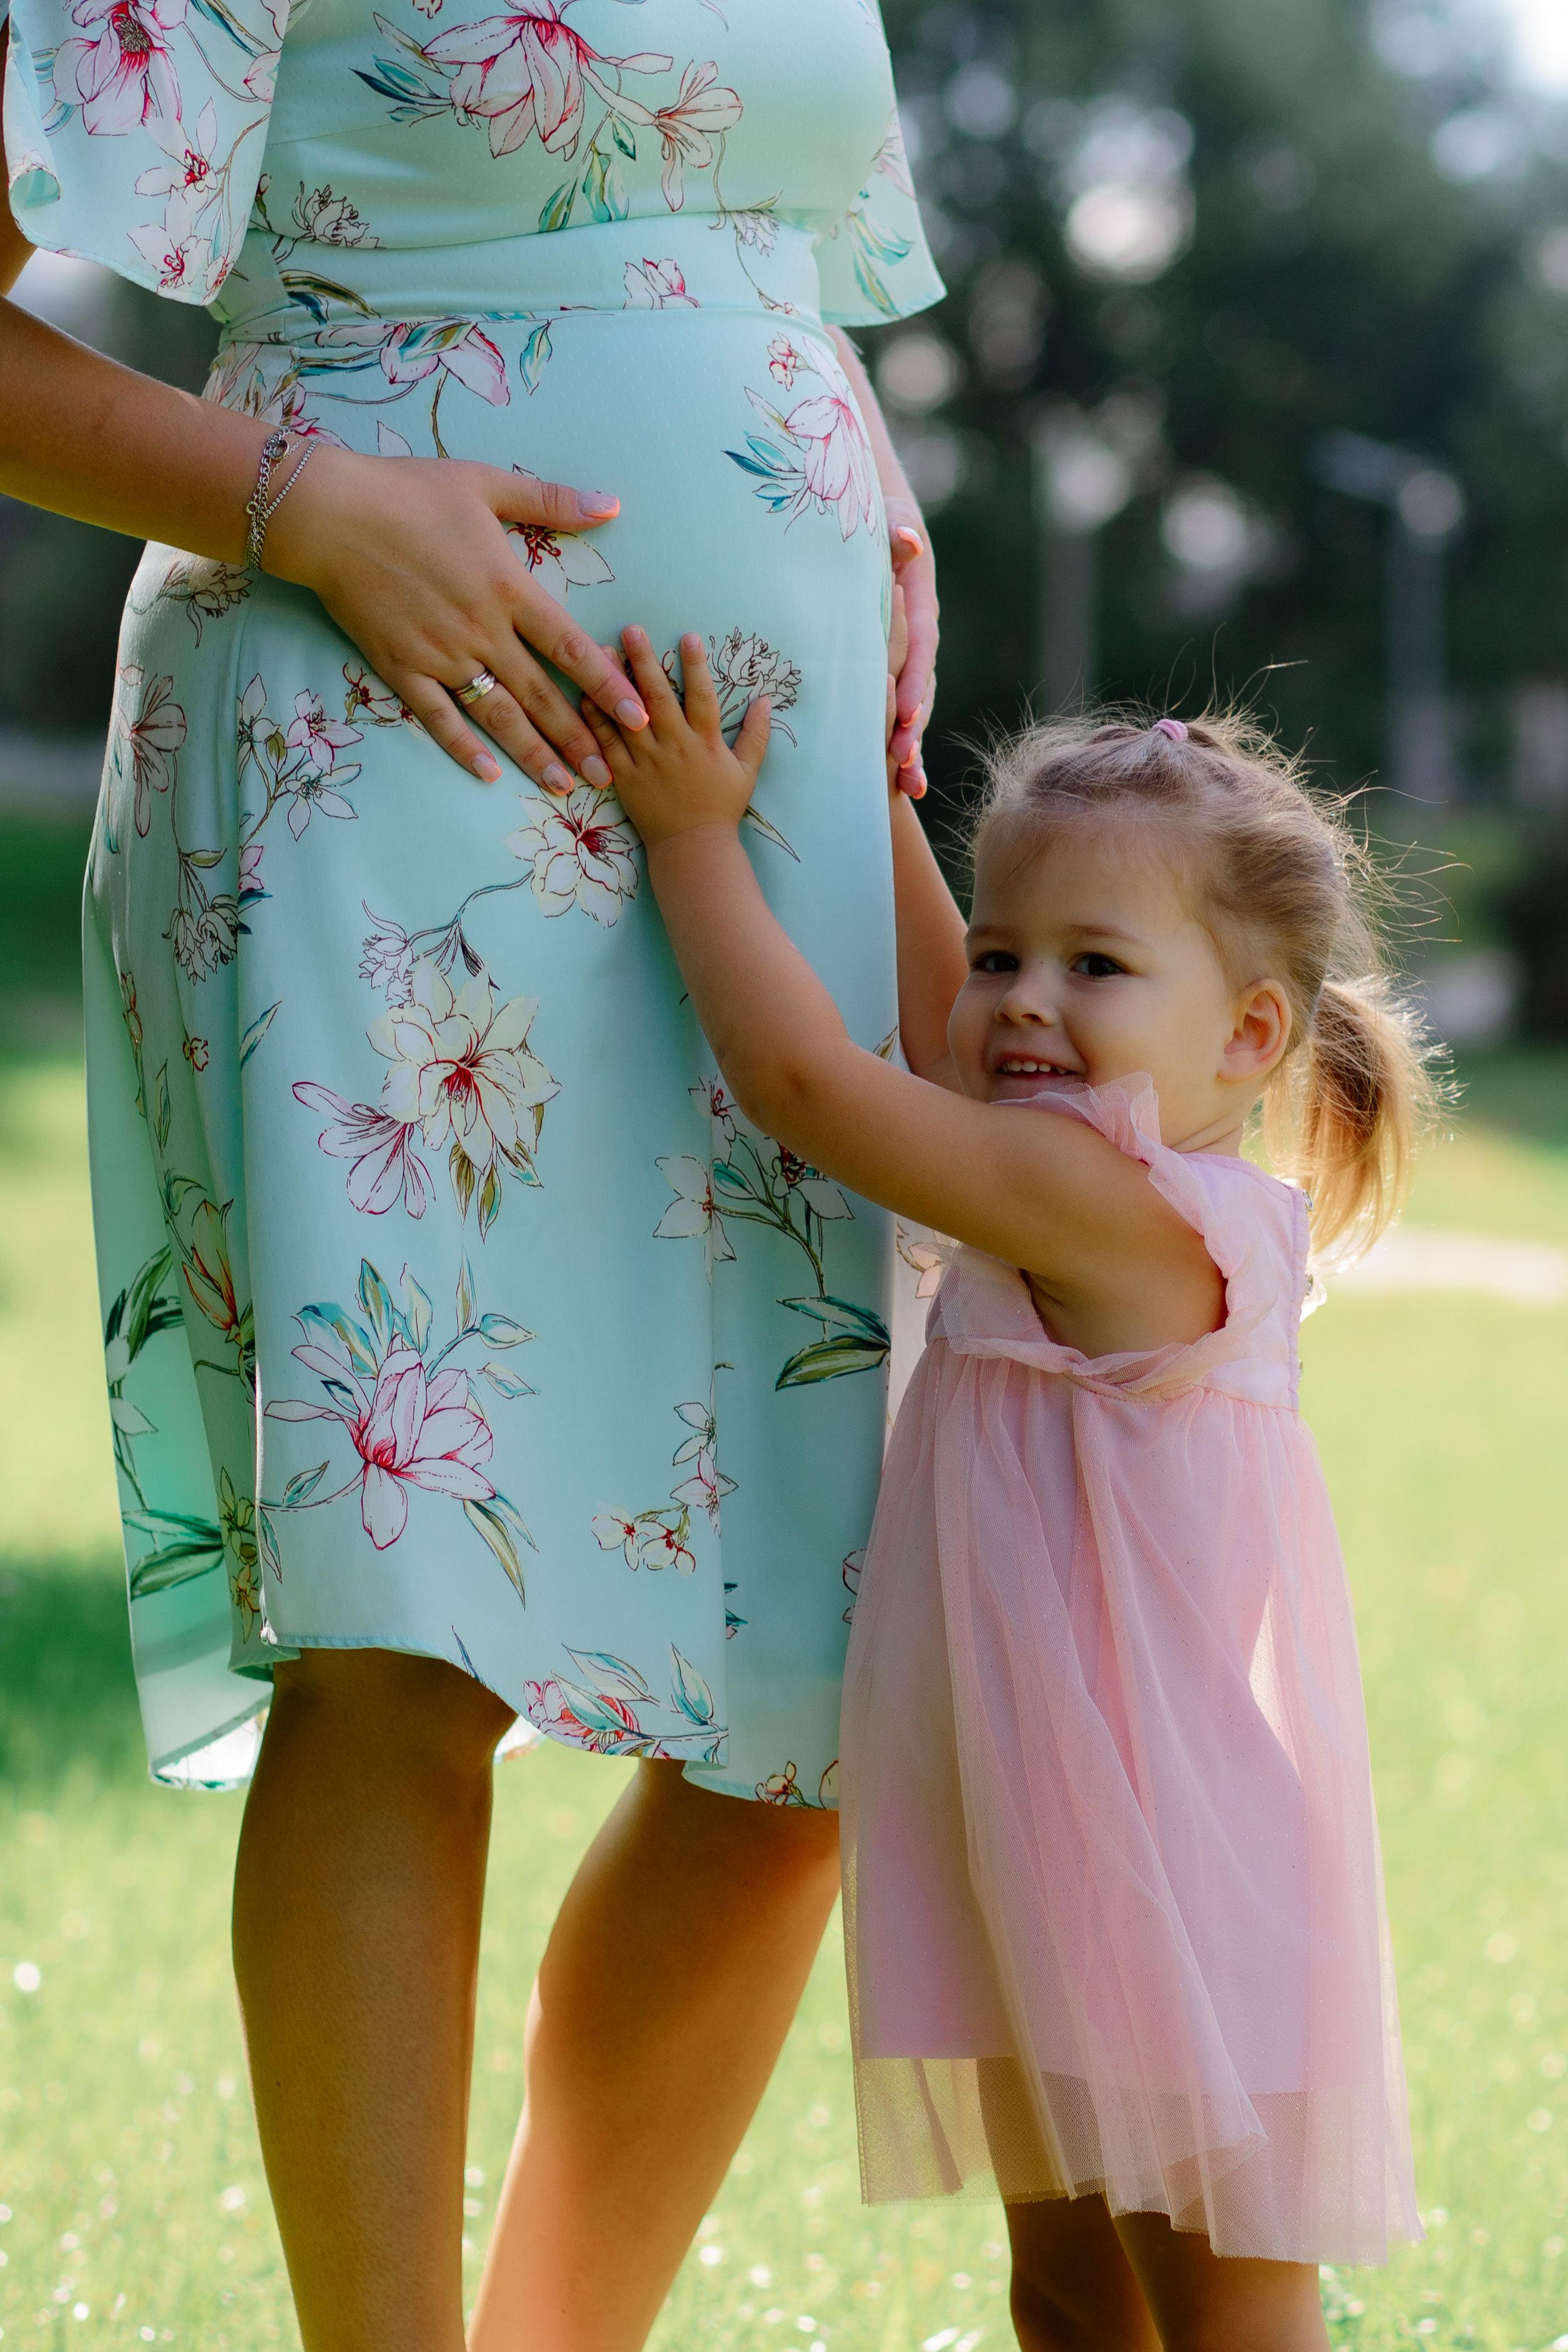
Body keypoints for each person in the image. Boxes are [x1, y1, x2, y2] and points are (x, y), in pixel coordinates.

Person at [0, 0, 943, 2340]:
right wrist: (290, 498)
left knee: (828, 1689)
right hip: (381, 734)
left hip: (772, 784)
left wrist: (869, 494)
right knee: (403, 1638)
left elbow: (753, 248)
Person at [587, 653, 1429, 2352]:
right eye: (1005, 954)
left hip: (1167, 1857)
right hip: (1067, 1839)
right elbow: (935, 1032)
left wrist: (694, 840)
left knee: (1224, 2297)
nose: (1025, 1001)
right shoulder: (1078, 1157)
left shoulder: (1102, 1202)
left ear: (1248, 1034)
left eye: (1095, 966)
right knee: (1067, 2285)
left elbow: (819, 1087)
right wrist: (895, 799)